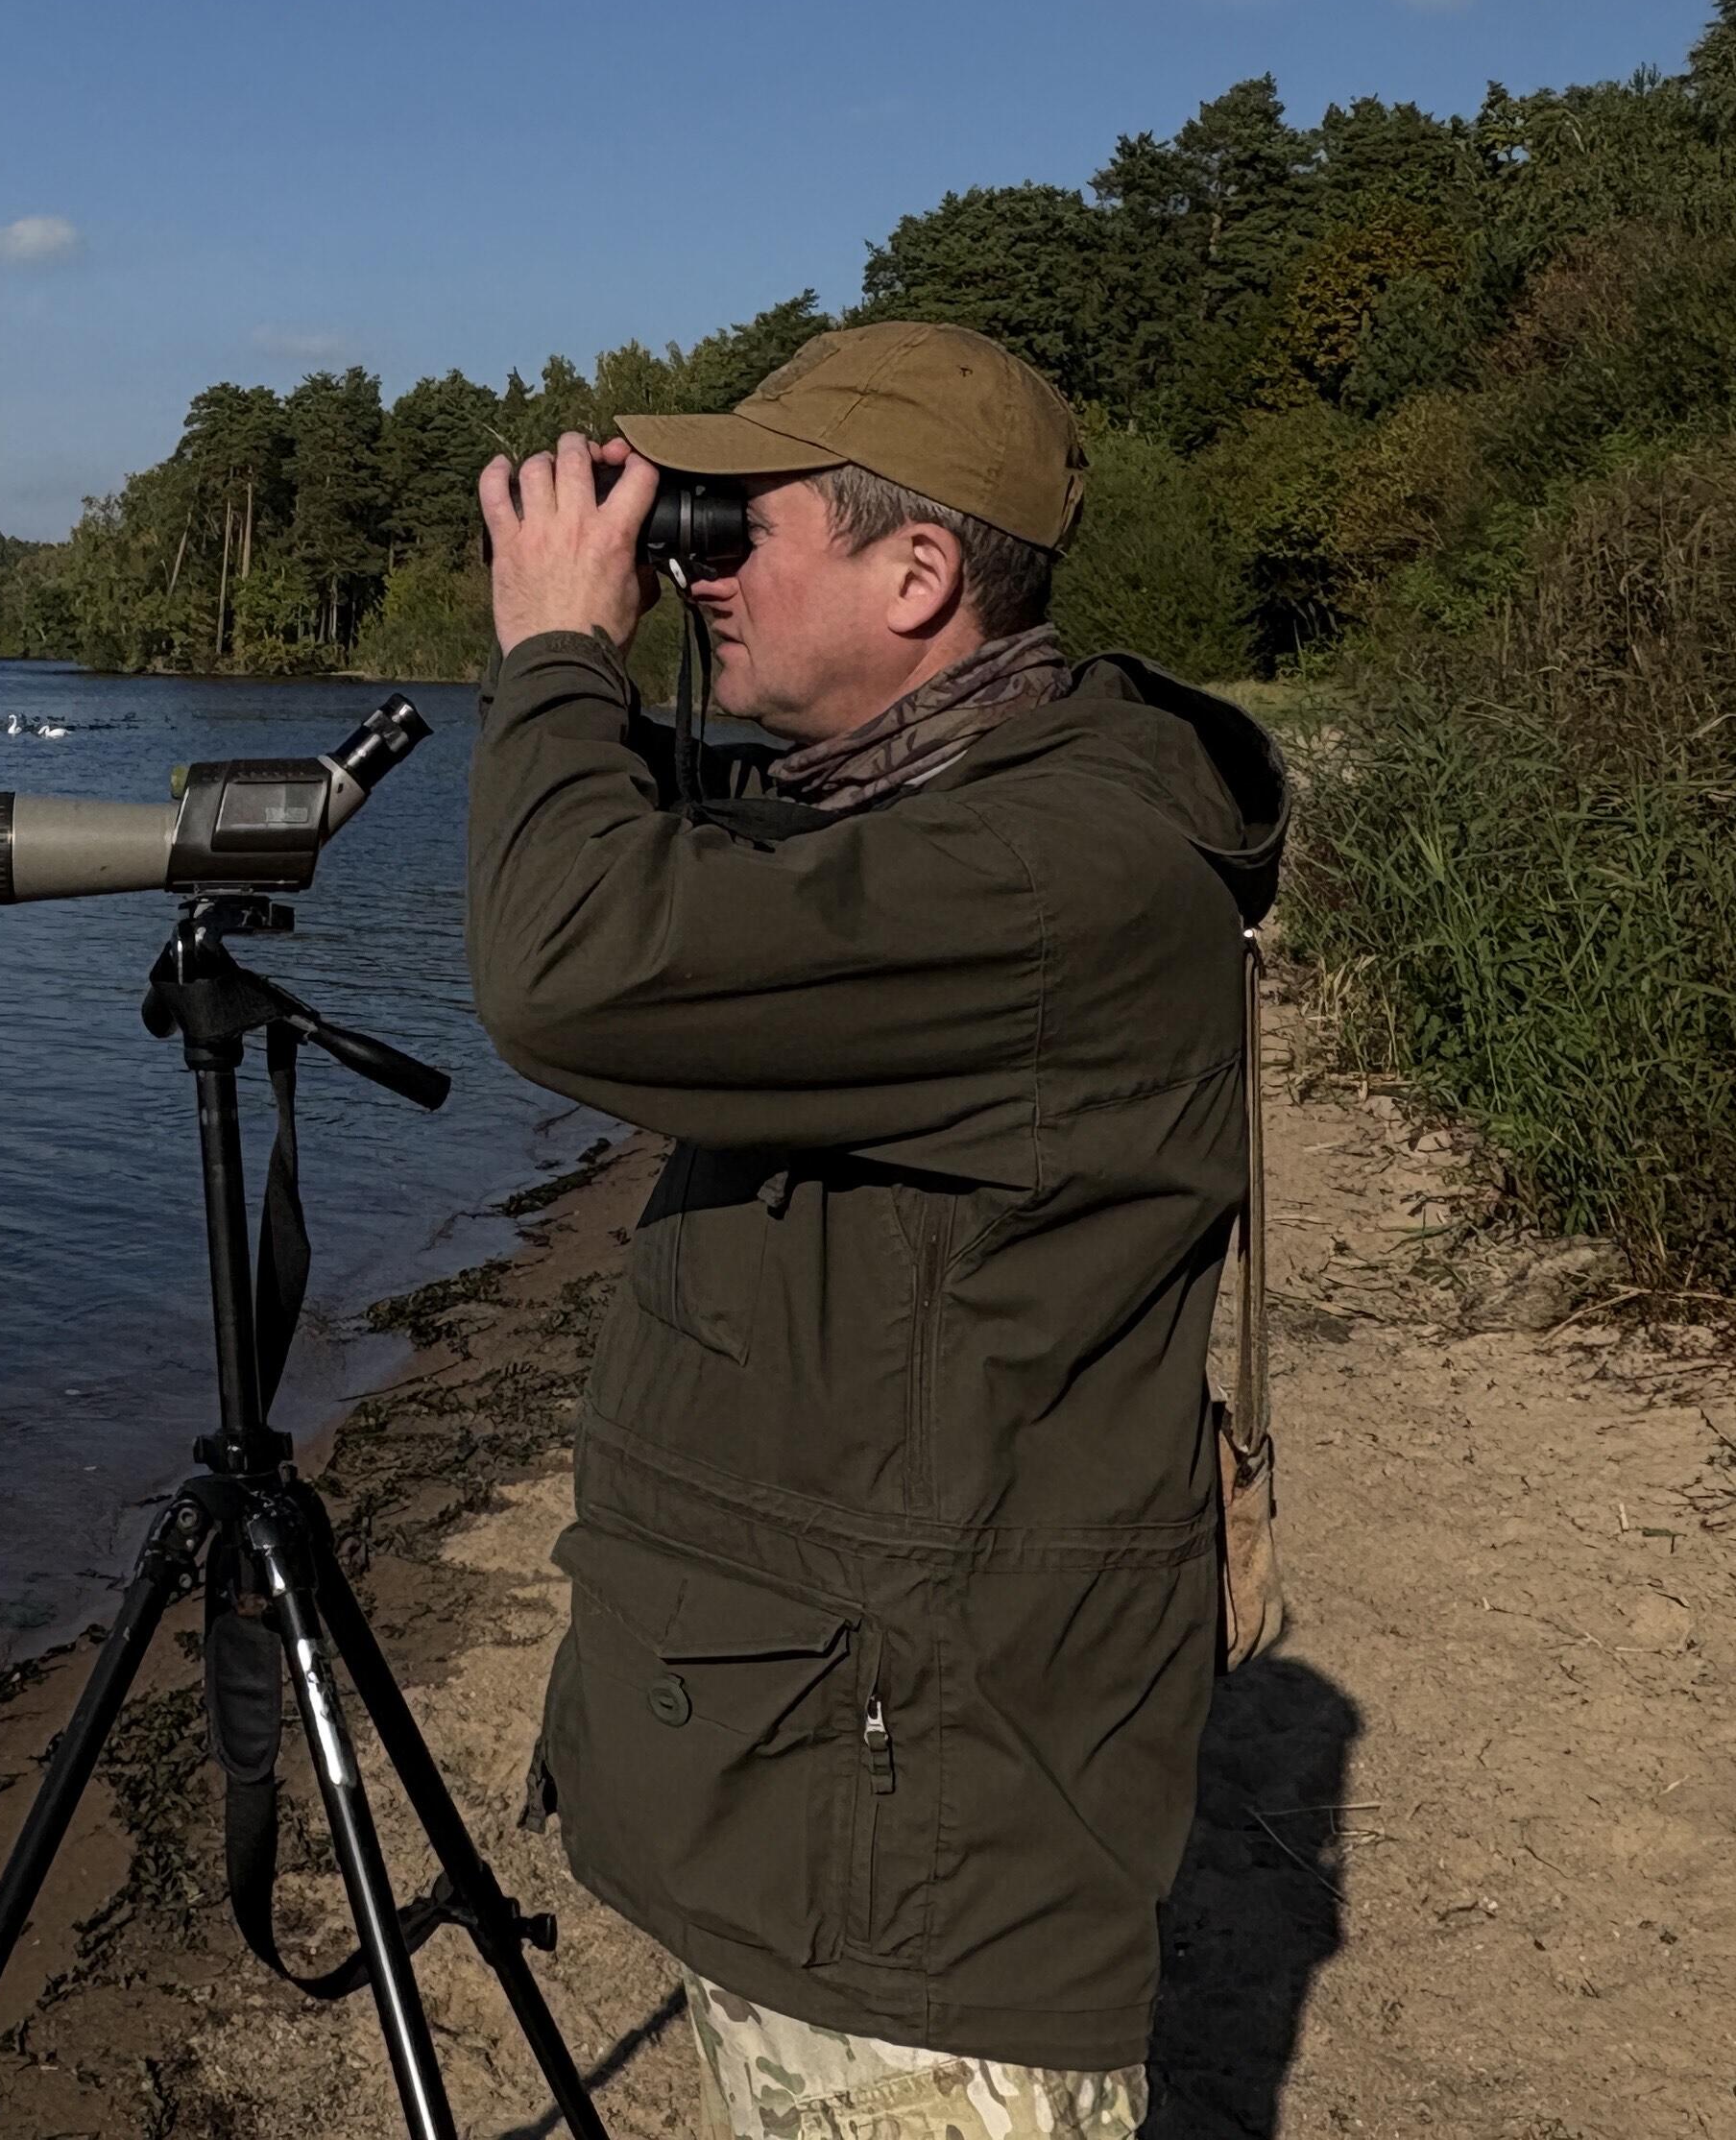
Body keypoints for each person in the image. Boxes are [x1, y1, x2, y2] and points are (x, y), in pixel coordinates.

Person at [464, 321, 1284, 2140]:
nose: (699, 568)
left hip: (918, 1862)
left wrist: (556, 662)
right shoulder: (958, 807)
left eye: (739, 528)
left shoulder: (1041, 875)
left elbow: (572, 965)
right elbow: (717, 856)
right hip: (848, 1773)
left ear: (919, 578)